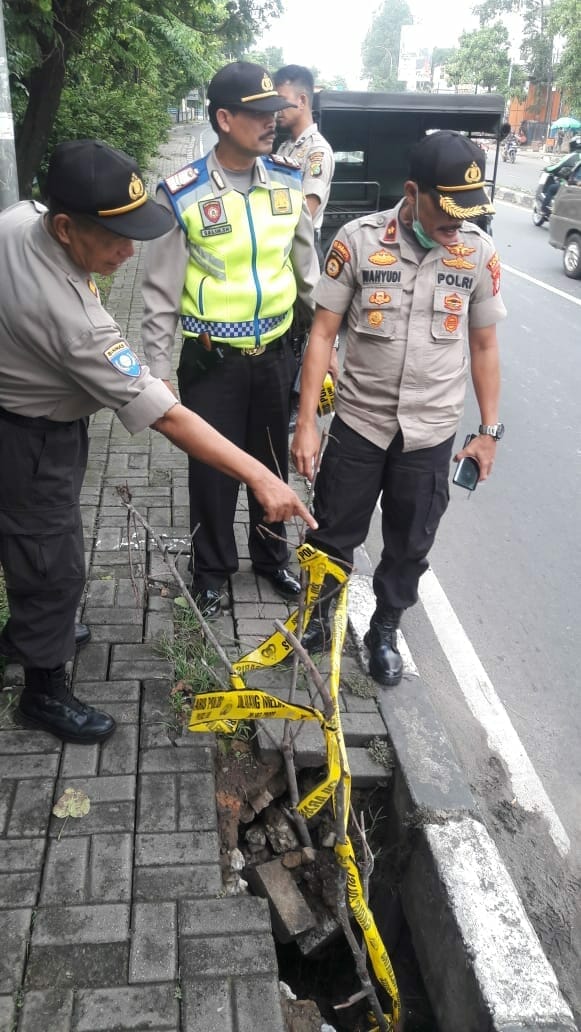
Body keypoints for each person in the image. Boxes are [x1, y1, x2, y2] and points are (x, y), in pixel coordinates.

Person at [0, 138, 316, 745]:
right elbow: (168, 416)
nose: (130, 251)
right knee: (53, 562)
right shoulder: (74, 319)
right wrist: (261, 476)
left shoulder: (19, 219)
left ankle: (31, 631)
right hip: (31, 438)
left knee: (37, 543)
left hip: (31, 419)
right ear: (64, 226)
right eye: (116, 238)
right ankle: (42, 690)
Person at [291, 130, 506, 687]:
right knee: (333, 531)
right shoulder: (359, 240)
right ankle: (318, 617)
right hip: (360, 424)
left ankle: (385, 628)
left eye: (468, 211)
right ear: (413, 192)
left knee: (412, 541)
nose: (456, 224)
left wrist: (488, 431)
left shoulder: (477, 251)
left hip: (431, 432)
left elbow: (483, 346)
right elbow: (322, 335)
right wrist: (309, 422)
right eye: (447, 209)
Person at [141, 62, 320, 620]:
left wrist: (322, 347)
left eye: (275, 112)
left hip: (276, 352)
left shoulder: (288, 182)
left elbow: (307, 270)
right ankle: (212, 570)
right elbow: (158, 291)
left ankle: (270, 559)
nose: (273, 122)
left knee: (270, 459)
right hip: (212, 359)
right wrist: (157, 371)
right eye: (259, 114)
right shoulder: (184, 193)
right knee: (214, 470)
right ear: (223, 118)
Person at [274, 65, 337, 427]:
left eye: (281, 102)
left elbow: (304, 214)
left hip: (299, 249)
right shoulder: (285, 146)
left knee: (305, 333)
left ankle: (301, 418)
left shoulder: (316, 152)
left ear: (302, 99)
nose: (276, 111)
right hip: (283, 249)